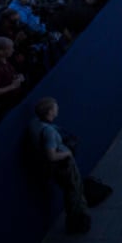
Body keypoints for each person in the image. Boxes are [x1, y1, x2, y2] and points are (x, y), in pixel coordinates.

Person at [28, 97, 91, 232]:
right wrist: (67, 154)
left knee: (71, 191)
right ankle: (76, 221)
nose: (58, 109)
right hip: (64, 166)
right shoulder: (49, 132)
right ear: (50, 112)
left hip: (56, 167)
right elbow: (51, 155)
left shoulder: (36, 124)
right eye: (55, 107)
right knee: (73, 191)